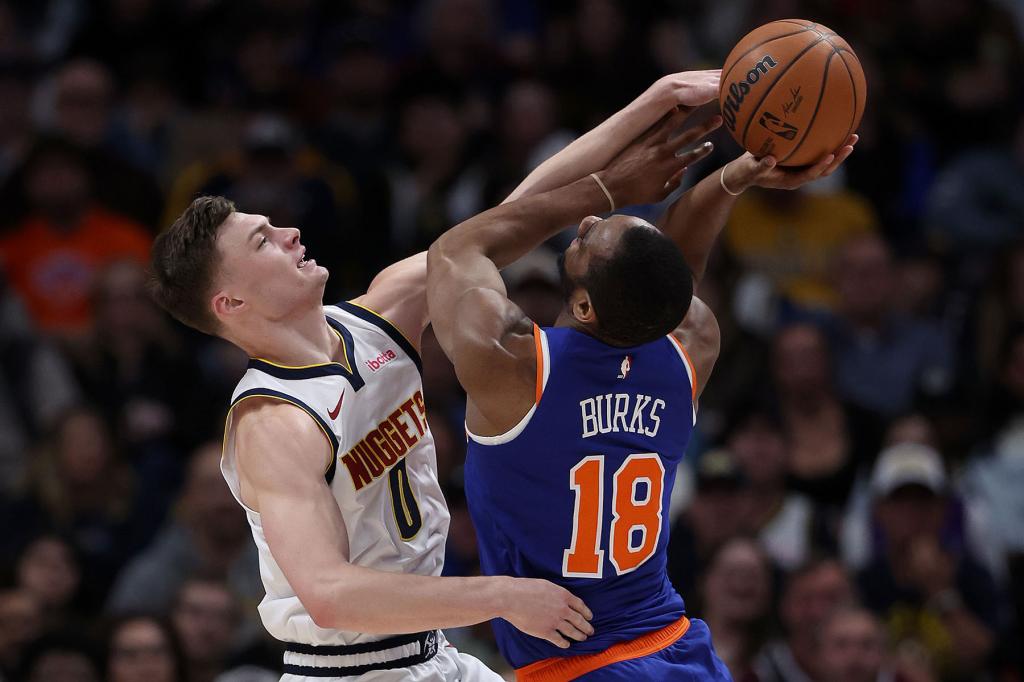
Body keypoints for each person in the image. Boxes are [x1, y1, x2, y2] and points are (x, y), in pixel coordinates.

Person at [148, 68, 732, 680]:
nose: (291, 232)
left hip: (434, 656)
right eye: (264, 242)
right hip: (350, 671)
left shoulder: (379, 315)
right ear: (231, 304)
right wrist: (502, 595)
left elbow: (502, 221)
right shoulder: (274, 421)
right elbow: (329, 592)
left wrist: (655, 101)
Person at [425, 82, 856, 676]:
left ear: (583, 307)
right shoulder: (690, 349)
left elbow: (455, 250)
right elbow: (671, 276)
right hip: (679, 650)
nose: (587, 223)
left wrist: (608, 185)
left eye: (590, 238)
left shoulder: (508, 362)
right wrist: (733, 178)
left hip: (578, 666)